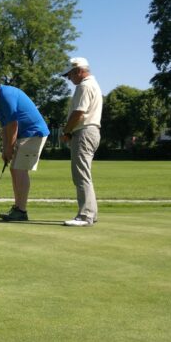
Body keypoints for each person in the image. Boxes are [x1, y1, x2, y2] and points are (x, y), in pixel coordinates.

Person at [0, 80, 50, 221]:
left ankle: (21, 210)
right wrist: (5, 149)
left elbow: (13, 124)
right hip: (24, 135)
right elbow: (5, 127)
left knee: (19, 169)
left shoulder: (6, 95)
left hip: (33, 133)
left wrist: (10, 148)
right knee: (14, 169)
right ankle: (18, 208)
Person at [60, 57, 103, 227]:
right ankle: (90, 214)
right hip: (90, 132)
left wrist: (66, 131)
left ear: (78, 71)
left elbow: (79, 113)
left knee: (81, 175)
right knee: (84, 174)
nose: (69, 79)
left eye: (69, 75)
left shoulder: (84, 86)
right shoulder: (93, 84)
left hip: (84, 132)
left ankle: (86, 215)